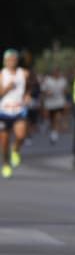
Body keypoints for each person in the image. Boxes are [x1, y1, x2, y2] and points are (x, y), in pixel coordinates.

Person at [0, 49, 30, 177]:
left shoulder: (24, 73)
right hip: (4, 111)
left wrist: (28, 96)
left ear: (17, 61)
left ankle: (15, 150)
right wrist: (7, 88)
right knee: (4, 141)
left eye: (14, 59)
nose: (11, 62)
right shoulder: (1, 74)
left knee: (21, 135)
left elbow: (29, 88)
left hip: (19, 109)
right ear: (5, 61)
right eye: (9, 60)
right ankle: (6, 164)